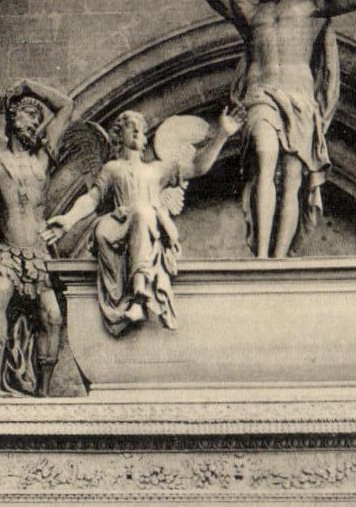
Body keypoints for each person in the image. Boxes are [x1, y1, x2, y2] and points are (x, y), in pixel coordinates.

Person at [160, 0, 356, 258]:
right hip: (261, 93)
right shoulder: (250, 12)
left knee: (293, 178)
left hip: (300, 99)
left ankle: (277, 261)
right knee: (264, 158)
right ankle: (260, 257)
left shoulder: (310, 6)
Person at [46, 106, 239, 335]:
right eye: (131, 127)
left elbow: (197, 166)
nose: (138, 131)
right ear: (119, 135)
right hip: (117, 223)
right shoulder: (112, 168)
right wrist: (68, 219)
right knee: (105, 229)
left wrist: (223, 134)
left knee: (142, 213)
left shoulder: (157, 169)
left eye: (141, 129)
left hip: (147, 223)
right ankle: (122, 295)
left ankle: (139, 297)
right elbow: (93, 198)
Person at [0, 76, 75, 395]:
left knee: (53, 317)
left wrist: (30, 86)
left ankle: (43, 390)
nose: (34, 122)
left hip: (37, 253)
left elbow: (67, 106)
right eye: (29, 114)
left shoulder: (40, 161)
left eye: (37, 118)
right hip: (7, 249)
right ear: (12, 116)